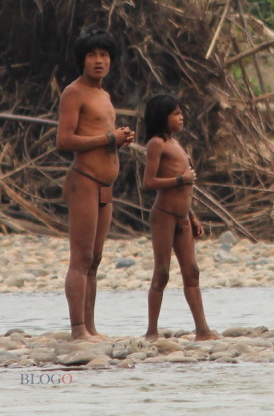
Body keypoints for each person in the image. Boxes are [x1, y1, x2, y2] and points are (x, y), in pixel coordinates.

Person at [57, 28, 135, 341]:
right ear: (83, 60)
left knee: (96, 258)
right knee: (81, 257)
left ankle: (90, 327)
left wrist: (119, 140)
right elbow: (64, 140)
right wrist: (108, 138)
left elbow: (103, 136)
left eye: (104, 55)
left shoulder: (104, 95)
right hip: (84, 181)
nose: (98, 60)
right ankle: (78, 330)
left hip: (106, 186)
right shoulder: (74, 92)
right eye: (92, 55)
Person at [142, 94, 219, 341]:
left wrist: (192, 215)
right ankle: (151, 331)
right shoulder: (156, 144)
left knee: (192, 271)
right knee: (162, 272)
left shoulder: (175, 143)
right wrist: (179, 179)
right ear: (162, 117)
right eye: (176, 114)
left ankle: (202, 330)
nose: (181, 117)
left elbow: (186, 189)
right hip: (164, 215)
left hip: (182, 216)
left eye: (180, 113)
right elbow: (149, 182)